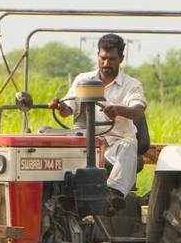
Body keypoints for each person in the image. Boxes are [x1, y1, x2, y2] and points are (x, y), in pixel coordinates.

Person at [49, 34, 147, 210]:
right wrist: (59, 107)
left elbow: (138, 110)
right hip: (86, 145)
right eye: (103, 58)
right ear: (98, 56)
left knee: (129, 145)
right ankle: (56, 199)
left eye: (112, 59)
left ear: (121, 59)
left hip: (115, 146)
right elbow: (68, 108)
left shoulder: (131, 85)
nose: (106, 63)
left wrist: (118, 110)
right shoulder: (84, 80)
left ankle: (112, 195)